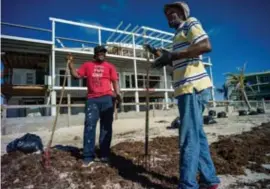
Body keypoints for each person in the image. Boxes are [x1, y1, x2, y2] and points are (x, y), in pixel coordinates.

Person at [145, 2, 220, 189]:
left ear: (183, 13)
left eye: (174, 12)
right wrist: (160, 54)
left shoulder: (190, 23)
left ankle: (187, 184)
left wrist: (172, 56)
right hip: (187, 89)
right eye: (167, 14)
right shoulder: (177, 36)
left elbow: (205, 45)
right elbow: (176, 61)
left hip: (192, 88)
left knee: (188, 137)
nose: (170, 15)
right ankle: (210, 180)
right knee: (197, 135)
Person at [67, 45, 121, 167]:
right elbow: (76, 75)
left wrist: (118, 94)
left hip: (107, 99)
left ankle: (104, 154)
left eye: (103, 52)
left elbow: (115, 82)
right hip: (92, 100)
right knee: (89, 126)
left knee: (106, 127)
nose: (102, 54)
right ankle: (87, 156)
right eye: (99, 52)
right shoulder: (87, 65)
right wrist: (71, 65)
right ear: (95, 54)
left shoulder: (110, 66)